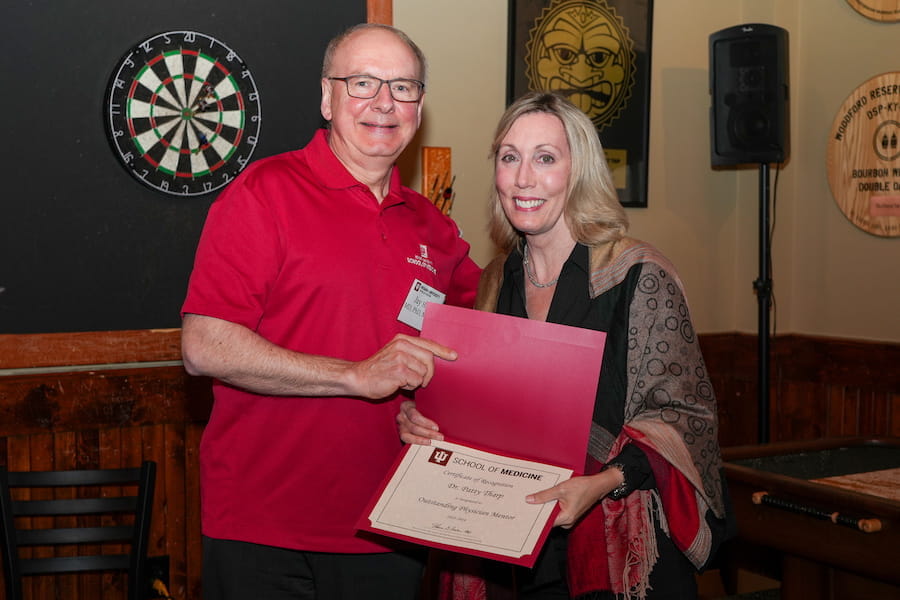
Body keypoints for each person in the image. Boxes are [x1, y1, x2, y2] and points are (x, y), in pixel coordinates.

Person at [180, 23, 482, 600]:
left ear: (420, 105)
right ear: (327, 97)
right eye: (363, 82)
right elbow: (204, 346)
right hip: (264, 531)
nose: (384, 103)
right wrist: (353, 374)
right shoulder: (263, 193)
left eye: (403, 86)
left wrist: (430, 402)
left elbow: (480, 343)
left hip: (390, 529)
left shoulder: (434, 229)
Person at [398, 91, 732, 600]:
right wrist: (422, 418)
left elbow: (687, 417)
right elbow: (478, 411)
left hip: (617, 549)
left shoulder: (638, 275)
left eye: (545, 158)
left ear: (581, 172)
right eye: (510, 157)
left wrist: (602, 483)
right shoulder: (492, 284)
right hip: (508, 549)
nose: (523, 178)